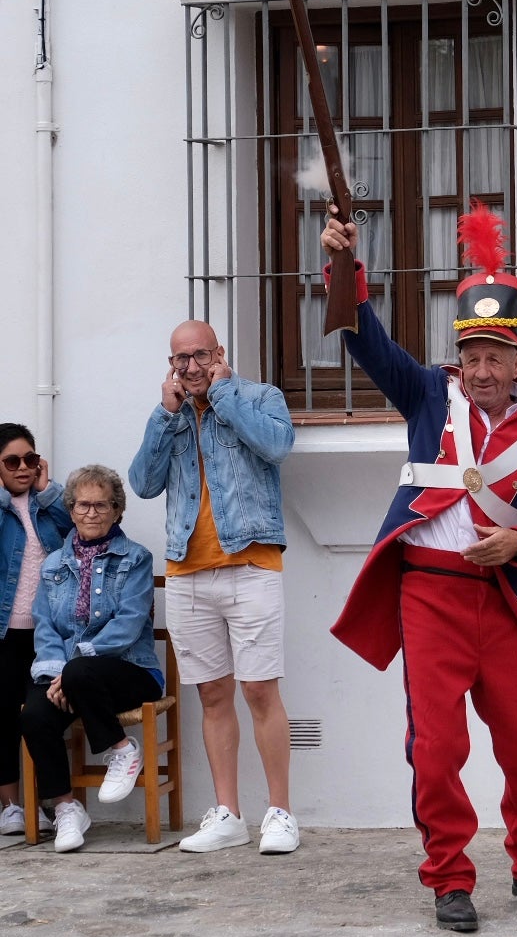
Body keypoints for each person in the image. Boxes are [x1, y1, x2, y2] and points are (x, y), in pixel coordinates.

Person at [321, 202, 517, 933]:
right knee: (437, 749)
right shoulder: (425, 397)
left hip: (500, 602)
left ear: (516, 361)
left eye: (494, 358)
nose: (479, 371)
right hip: (430, 597)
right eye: (470, 357)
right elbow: (364, 339)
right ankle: (449, 877)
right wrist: (342, 263)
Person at [128, 320, 298, 854]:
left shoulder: (258, 396)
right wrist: (164, 415)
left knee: (259, 689)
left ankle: (280, 813)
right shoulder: (172, 415)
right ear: (171, 364)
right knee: (213, 694)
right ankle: (228, 813)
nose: (192, 367)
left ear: (220, 353)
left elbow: (276, 446)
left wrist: (223, 393)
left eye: (201, 355)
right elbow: (142, 483)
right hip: (187, 572)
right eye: (181, 359)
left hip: (251, 565)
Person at [20, 465, 164, 853]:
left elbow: (130, 624)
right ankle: (67, 808)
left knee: (80, 669)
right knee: (34, 715)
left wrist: (72, 668)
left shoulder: (136, 558)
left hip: (130, 672)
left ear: (117, 511)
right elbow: (45, 626)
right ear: (71, 510)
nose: (92, 513)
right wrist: (57, 673)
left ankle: (121, 749)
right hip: (71, 677)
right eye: (83, 505)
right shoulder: (53, 566)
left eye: (103, 505)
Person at [0, 423, 73, 837]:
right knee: (2, 716)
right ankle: (12, 805)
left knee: (46, 714)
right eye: (12, 461)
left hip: (49, 634)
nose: (24, 468)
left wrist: (48, 493)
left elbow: (78, 537)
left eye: (31, 458)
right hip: (4, 634)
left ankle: (51, 801)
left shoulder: (49, 505)